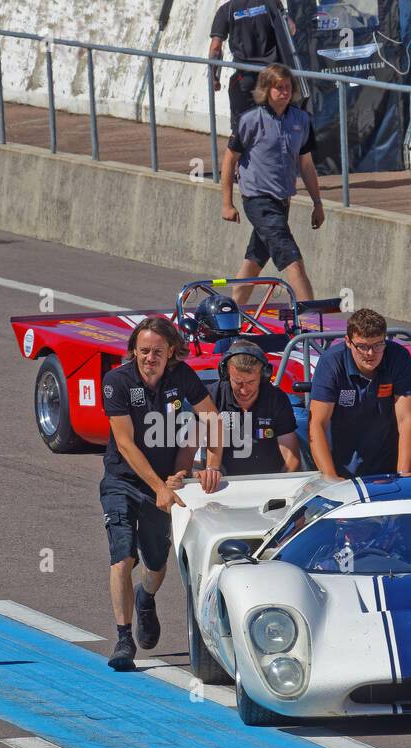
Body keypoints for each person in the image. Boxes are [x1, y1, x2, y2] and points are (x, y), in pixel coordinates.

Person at [100, 317, 224, 672]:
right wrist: (158, 487)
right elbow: (124, 442)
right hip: (123, 480)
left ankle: (146, 597)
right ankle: (123, 638)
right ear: (133, 351)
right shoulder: (117, 382)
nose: (149, 358)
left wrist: (210, 463)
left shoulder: (181, 375)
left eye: (157, 351)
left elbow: (211, 418)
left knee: (155, 564)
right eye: (143, 351)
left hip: (167, 483)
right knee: (121, 558)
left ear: (171, 351)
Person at [221, 63, 324, 306]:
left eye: (288, 87)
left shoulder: (301, 120)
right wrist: (227, 203)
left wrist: (317, 203)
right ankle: (311, 326)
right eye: (279, 88)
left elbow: (306, 165)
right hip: (258, 200)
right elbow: (229, 160)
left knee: (255, 260)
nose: (285, 92)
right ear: (266, 90)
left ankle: (231, 311)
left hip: (282, 201)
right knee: (293, 261)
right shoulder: (249, 120)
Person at [309, 308, 411, 479]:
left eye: (378, 345)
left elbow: (406, 419)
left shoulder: (399, 358)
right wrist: (330, 478)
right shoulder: (331, 362)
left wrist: (403, 474)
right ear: (348, 341)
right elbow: (317, 423)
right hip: (343, 467)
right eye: (362, 346)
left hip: (390, 464)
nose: (370, 353)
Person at [209, 339, 301, 476]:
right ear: (226, 373)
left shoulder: (276, 399)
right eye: (237, 382)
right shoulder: (212, 397)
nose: (244, 390)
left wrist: (278, 488)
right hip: (223, 485)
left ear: (263, 376)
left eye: (251, 382)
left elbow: (292, 459)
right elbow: (190, 446)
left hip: (271, 482)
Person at [209, 0, 295, 125]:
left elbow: (215, 48)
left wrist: (214, 77)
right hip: (273, 78)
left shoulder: (226, 10)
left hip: (245, 78)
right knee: (276, 124)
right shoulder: (271, 3)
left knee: (241, 129)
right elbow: (291, 30)